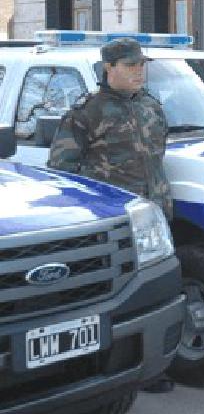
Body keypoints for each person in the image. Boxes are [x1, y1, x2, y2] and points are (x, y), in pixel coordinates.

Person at [47, 38, 174, 394]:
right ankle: (104, 370)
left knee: (155, 295)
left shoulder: (150, 106)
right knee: (116, 299)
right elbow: (63, 170)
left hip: (155, 218)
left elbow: (158, 154)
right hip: (115, 224)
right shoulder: (88, 112)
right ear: (109, 68)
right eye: (130, 65)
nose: (139, 71)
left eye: (141, 65)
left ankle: (153, 369)